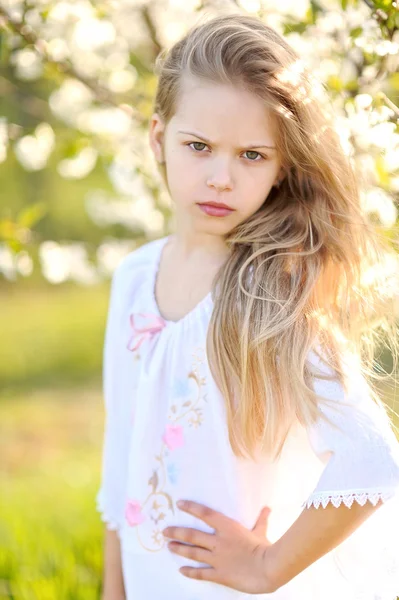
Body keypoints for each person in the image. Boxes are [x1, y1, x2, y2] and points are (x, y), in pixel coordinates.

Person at [96, 12, 399, 600]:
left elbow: (371, 459)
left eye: (252, 155)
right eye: (199, 147)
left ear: (283, 164)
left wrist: (267, 567)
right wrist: (116, 588)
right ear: (159, 138)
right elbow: (121, 457)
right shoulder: (133, 279)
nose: (220, 178)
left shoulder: (271, 295)